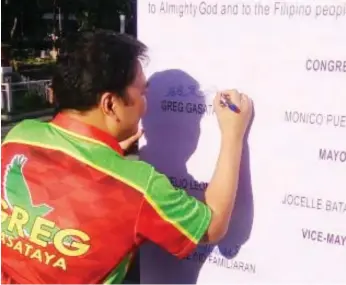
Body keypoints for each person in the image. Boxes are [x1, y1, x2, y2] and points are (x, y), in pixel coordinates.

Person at [1, 30, 253, 284]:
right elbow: (212, 227)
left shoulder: (19, 137)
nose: (145, 104)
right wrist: (233, 135)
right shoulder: (137, 186)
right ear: (110, 104)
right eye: (142, 93)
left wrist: (106, 157)